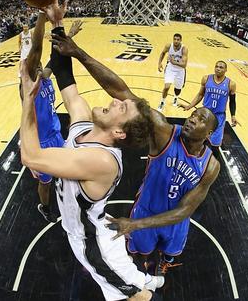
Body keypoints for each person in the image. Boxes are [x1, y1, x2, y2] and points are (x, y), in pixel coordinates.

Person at [20, 0, 162, 300]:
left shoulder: (100, 160)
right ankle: (147, 280)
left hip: (93, 245)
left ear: (119, 131)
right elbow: (64, 76)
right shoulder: (84, 126)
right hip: (94, 229)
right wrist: (55, 23)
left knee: (134, 297)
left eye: (120, 107)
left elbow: (30, 156)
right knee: (132, 281)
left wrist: (27, 98)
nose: (113, 100)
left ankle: (147, 288)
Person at [50, 32, 221, 276]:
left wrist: (136, 224)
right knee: (137, 257)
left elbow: (186, 210)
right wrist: (78, 53)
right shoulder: (164, 131)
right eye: (193, 114)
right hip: (146, 211)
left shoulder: (211, 166)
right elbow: (121, 91)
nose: (193, 118)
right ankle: (143, 271)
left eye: (201, 118)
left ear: (211, 132)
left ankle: (161, 264)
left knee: (167, 257)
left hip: (175, 223)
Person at [20, 11, 83, 222]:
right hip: (40, 143)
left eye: (38, 65)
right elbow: (37, 50)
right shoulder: (29, 86)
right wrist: (41, 17)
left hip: (55, 135)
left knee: (68, 171)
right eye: (33, 64)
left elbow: (55, 58)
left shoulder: (44, 76)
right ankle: (45, 207)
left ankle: (70, 199)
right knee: (45, 183)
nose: (38, 65)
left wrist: (69, 35)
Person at [180, 60, 237, 147]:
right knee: (198, 138)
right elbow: (200, 94)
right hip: (206, 114)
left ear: (226, 70)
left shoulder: (231, 84)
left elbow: (232, 101)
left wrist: (233, 116)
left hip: (219, 116)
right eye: (216, 66)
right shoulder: (206, 79)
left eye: (221, 67)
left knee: (215, 143)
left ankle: (211, 157)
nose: (218, 69)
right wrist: (189, 106)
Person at [157, 33, 188, 111]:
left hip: (180, 70)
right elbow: (163, 53)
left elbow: (184, 65)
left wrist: (174, 62)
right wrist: (159, 63)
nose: (176, 41)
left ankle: (175, 97)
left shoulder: (184, 49)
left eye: (178, 40)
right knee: (166, 87)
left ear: (181, 40)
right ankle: (162, 102)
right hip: (170, 68)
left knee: (178, 89)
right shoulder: (168, 46)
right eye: (174, 39)